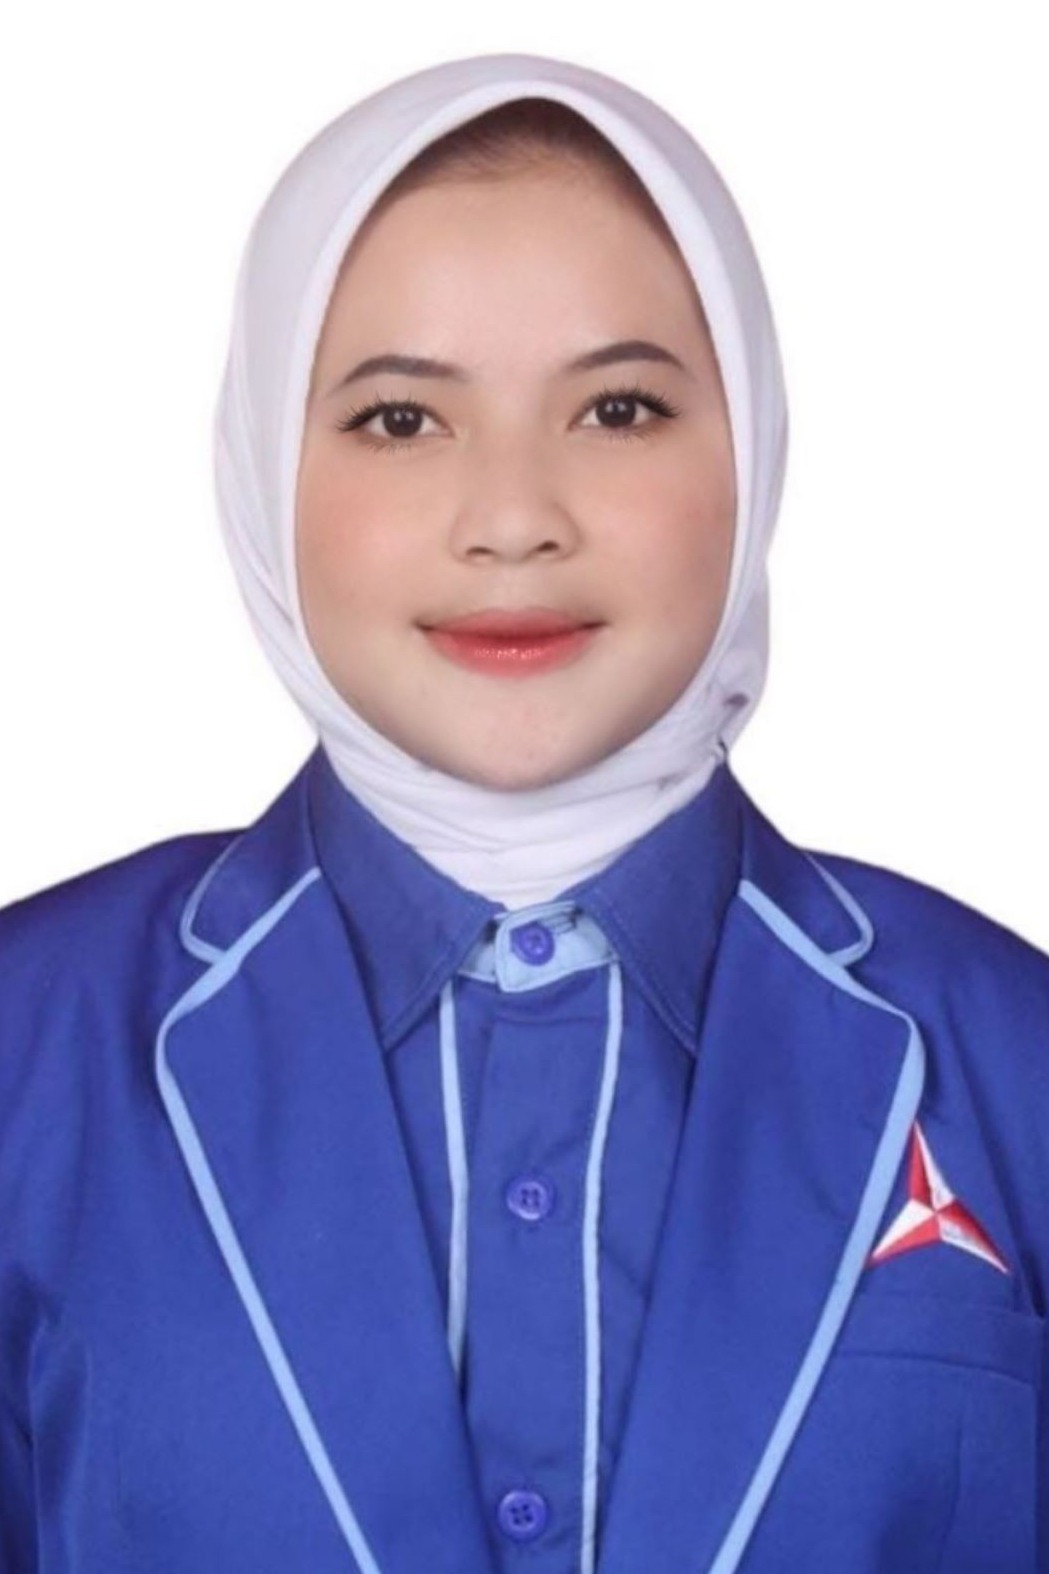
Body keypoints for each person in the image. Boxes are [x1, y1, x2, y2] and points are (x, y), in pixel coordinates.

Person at [1, 49, 1047, 1574]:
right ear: (260, 464)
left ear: (752, 448)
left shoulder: (1015, 1053)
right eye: (398, 420)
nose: (511, 518)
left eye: (617, 408)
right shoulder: (29, 1044)